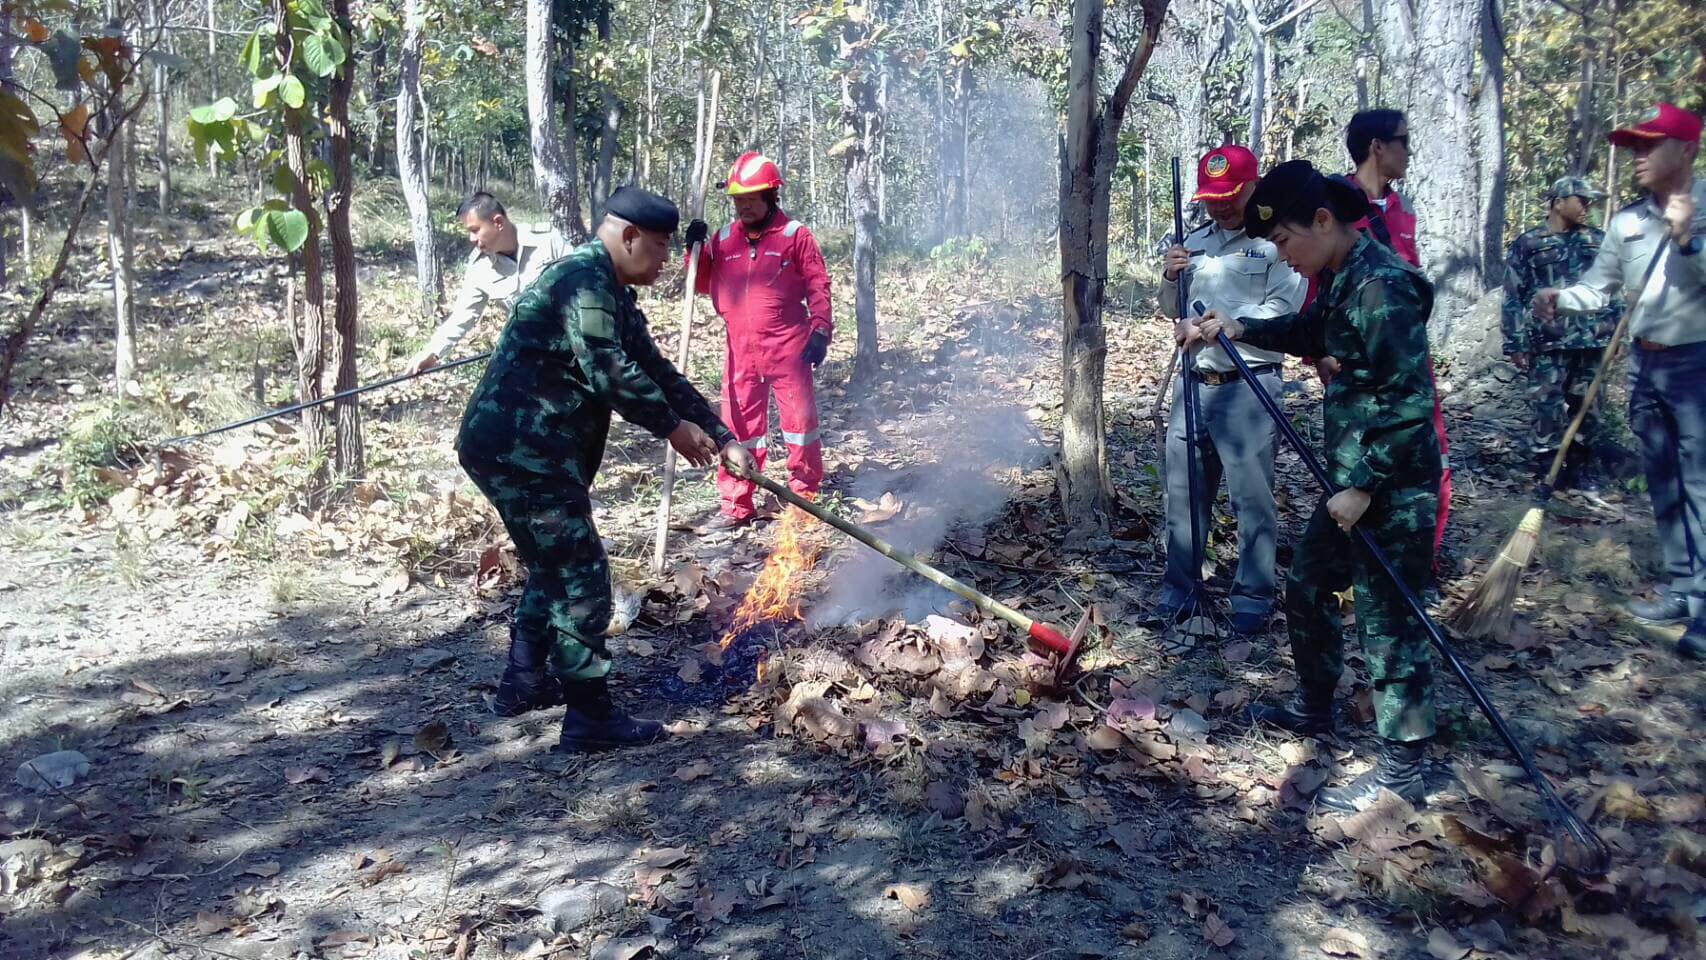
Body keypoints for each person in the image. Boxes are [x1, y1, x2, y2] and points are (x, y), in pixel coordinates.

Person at [457, 186, 759, 750]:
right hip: (521, 451)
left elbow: (655, 369)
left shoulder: (611, 291)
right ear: (628, 236)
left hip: (536, 451)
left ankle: (523, 682)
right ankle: (590, 717)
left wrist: (721, 435)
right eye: (662, 246)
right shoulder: (581, 280)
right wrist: (672, 429)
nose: (668, 259)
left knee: (554, 564)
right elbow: (606, 367)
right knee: (581, 574)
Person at [1187, 160, 1443, 812]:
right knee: (1305, 585)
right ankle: (1315, 704)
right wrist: (1243, 327)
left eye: (1287, 244)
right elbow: (1309, 331)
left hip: (1390, 487)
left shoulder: (1383, 289)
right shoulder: (1342, 277)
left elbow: (1410, 405)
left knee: (1389, 625)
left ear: (1324, 222)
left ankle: (1404, 767)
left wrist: (1365, 486)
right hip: (1351, 483)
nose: (1285, 258)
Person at [1533, 103, 1706, 658]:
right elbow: (1600, 286)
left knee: (1702, 484)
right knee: (1664, 480)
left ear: (1686, 150)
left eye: (1648, 146)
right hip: (1645, 362)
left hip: (1698, 361)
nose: (1635, 157)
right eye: (1632, 147)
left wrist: (1688, 241)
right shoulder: (1629, 222)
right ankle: (1683, 589)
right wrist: (1561, 297)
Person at [1148, 145, 1306, 638]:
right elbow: (1169, 309)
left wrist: (1235, 326)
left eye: (1231, 196)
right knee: (1183, 495)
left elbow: (1288, 309)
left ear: (1252, 187)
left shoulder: (1276, 243)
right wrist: (1171, 278)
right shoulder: (1193, 242)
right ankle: (1180, 588)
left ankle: (1252, 598)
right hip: (1193, 385)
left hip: (1249, 388)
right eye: (1213, 198)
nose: (1221, 207)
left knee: (1252, 500)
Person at [1319, 110, 1452, 564]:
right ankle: (1361, 564)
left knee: (1424, 445)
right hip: (1353, 358)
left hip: (1402, 351)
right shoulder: (1334, 202)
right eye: (1404, 141)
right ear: (1378, 146)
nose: (1408, 151)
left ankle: (1419, 562)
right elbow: (1315, 287)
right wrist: (1320, 351)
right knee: (1360, 462)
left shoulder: (1404, 209)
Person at [683, 152, 834, 529]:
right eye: (737, 199)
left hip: (788, 348)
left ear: (771, 196)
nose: (743, 206)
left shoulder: (793, 235)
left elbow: (818, 284)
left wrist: (820, 330)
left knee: (800, 424)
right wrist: (695, 251)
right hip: (740, 351)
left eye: (751, 199)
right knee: (739, 430)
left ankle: (804, 499)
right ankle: (736, 504)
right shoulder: (722, 239)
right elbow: (701, 284)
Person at [1501, 176, 1622, 491]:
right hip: (1548, 343)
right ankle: (1547, 472)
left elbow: (1615, 290)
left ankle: (1579, 471)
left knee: (1589, 407)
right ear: (1558, 202)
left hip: (1594, 340)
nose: (1587, 207)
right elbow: (1513, 295)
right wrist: (1514, 342)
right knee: (1546, 407)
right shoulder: (1529, 243)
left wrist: (1619, 335)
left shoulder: (1599, 241)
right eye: (1581, 200)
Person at [406, 192, 571, 374]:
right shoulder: (480, 267)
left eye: (475, 230)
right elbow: (463, 315)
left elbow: (585, 282)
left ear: (498, 222)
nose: (471, 239)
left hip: (578, 340)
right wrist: (432, 352)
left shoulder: (548, 240)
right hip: (535, 353)